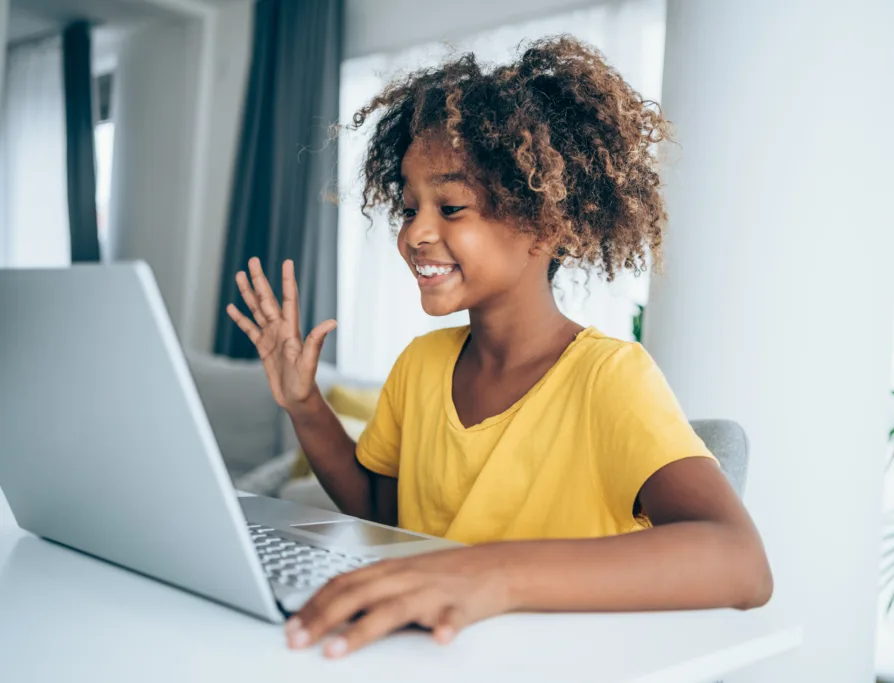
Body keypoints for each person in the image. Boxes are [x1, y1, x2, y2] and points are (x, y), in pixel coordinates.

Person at [227, 36, 772, 659]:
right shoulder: (423, 365)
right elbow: (380, 508)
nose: (415, 234)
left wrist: (489, 573)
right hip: (425, 656)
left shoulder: (608, 378)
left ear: (545, 221)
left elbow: (741, 562)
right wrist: (304, 404)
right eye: (409, 208)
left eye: (451, 206)